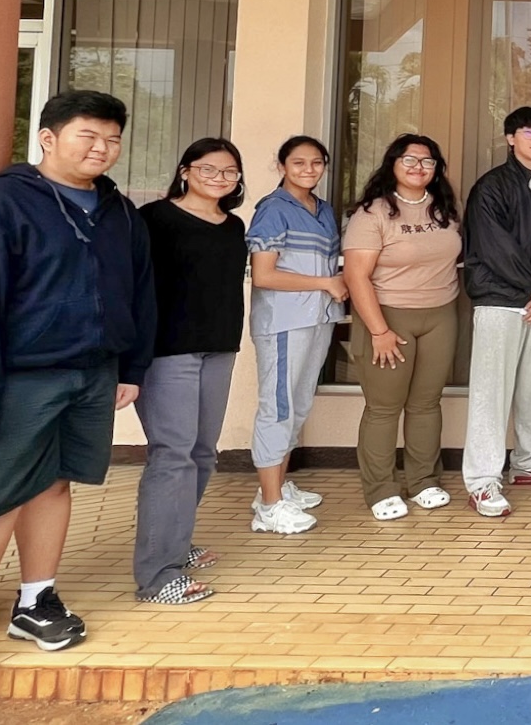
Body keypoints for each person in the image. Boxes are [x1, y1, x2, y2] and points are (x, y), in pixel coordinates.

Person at [0, 90, 155, 725]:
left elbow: (139, 290)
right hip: (17, 382)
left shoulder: (118, 211)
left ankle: (36, 600)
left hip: (93, 374)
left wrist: (130, 367)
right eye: (87, 135)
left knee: (55, 485)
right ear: (48, 138)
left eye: (111, 138)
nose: (101, 148)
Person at [132, 138, 247, 604]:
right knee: (172, 455)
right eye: (210, 169)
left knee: (203, 453)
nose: (220, 179)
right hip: (169, 352)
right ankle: (157, 575)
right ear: (185, 171)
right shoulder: (155, 220)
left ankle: (175, 542)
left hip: (219, 348)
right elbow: (135, 286)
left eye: (230, 172)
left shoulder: (233, 225)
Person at [342, 134, 462, 521]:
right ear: (392, 163)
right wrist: (378, 330)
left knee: (426, 405)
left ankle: (424, 481)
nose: (418, 167)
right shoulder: (372, 212)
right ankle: (381, 488)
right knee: (383, 408)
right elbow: (356, 276)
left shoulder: (444, 208)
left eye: (427, 162)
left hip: (440, 314)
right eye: (409, 160)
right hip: (388, 316)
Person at [459, 107, 531, 517]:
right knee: (492, 393)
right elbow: (493, 247)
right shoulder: (492, 187)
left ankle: (530, 462)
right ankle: (483, 481)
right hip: (499, 302)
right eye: (527, 131)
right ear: (510, 138)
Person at [245, 136, 346, 537]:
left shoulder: (322, 210)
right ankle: (268, 506)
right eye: (299, 162)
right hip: (284, 323)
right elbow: (265, 275)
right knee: (279, 407)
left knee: (298, 404)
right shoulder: (273, 209)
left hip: (317, 318)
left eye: (316, 163)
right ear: (282, 165)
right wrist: (325, 282)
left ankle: (277, 486)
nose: (309, 169)